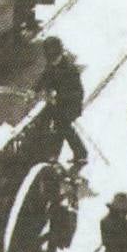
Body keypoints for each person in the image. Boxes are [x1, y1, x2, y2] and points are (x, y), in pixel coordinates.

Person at [36, 36, 88, 166]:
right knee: (62, 128)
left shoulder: (69, 70)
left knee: (63, 128)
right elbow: (45, 76)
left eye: (54, 58)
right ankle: (77, 154)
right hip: (59, 103)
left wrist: (57, 98)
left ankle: (73, 154)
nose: (51, 61)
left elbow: (76, 92)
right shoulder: (52, 63)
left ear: (59, 54)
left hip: (71, 104)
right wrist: (36, 89)